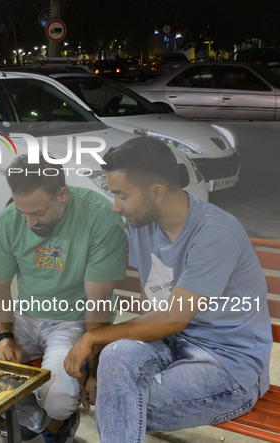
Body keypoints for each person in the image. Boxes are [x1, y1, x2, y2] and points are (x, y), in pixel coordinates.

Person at [64, 137, 272, 442]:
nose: (115, 206)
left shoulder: (216, 233)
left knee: (119, 402)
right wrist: (98, 368)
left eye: (121, 195)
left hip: (227, 366)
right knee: (116, 359)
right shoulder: (141, 224)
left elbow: (172, 319)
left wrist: (93, 337)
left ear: (157, 192)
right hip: (173, 344)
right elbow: (157, 312)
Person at [0, 154, 126, 442]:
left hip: (74, 321)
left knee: (59, 397)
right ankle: (40, 420)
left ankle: (55, 420)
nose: (29, 223)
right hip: (25, 316)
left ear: (62, 195)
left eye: (39, 213)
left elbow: (98, 302)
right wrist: (4, 336)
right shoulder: (10, 221)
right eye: (23, 213)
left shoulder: (100, 218)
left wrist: (93, 370)